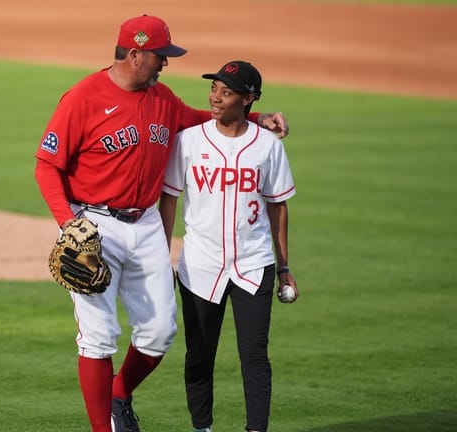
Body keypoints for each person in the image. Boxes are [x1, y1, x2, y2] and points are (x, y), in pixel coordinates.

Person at [34, 15, 289, 432]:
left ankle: (119, 393)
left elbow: (201, 120)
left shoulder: (163, 99)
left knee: (159, 332)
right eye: (160, 56)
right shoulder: (82, 98)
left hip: (148, 224)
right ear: (135, 55)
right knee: (98, 337)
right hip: (94, 226)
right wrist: (68, 225)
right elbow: (47, 166)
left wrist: (257, 119)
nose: (165, 63)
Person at [158, 60, 299, 432]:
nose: (216, 98)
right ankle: (202, 428)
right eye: (214, 89)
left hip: (254, 265)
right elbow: (169, 199)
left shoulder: (267, 147)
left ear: (248, 99)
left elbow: (277, 207)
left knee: (254, 357)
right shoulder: (189, 141)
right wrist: (161, 256)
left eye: (226, 92)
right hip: (200, 266)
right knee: (199, 357)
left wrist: (284, 268)